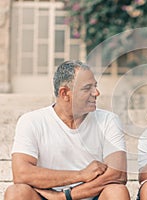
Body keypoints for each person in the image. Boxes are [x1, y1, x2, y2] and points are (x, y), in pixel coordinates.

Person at [4, 60, 130, 200]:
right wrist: (80, 175)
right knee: (16, 193)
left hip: (91, 196)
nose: (96, 93)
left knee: (117, 192)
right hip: (46, 196)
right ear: (64, 93)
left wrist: (65, 196)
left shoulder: (109, 120)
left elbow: (118, 174)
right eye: (87, 88)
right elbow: (21, 174)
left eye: (95, 86)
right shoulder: (31, 121)